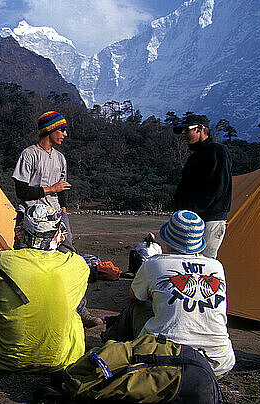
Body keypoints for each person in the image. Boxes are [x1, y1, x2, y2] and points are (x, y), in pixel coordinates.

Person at [101, 210, 236, 378]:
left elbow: (134, 297)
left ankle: (110, 344)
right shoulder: (216, 267)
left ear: (166, 239)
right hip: (219, 363)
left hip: (165, 358)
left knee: (137, 307)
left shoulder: (154, 264)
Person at [12, 111, 102, 328]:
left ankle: (81, 310)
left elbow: (63, 189)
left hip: (55, 216)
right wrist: (51, 189)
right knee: (24, 261)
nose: (65, 134)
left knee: (70, 258)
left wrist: (63, 209)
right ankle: (22, 313)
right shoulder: (29, 154)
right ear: (49, 130)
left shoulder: (60, 158)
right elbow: (21, 190)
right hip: (29, 215)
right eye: (61, 129)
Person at [0, 204, 89, 372]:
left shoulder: (3, 260)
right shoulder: (78, 264)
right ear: (58, 235)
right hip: (59, 361)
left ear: (22, 232)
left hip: (6, 361)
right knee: (73, 313)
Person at [173, 114, 232, 259]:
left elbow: (218, 186)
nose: (184, 135)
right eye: (183, 132)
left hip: (210, 218)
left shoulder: (217, 151)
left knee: (204, 262)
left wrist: (195, 211)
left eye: (187, 130)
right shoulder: (195, 155)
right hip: (193, 220)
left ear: (200, 129)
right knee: (188, 260)